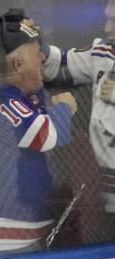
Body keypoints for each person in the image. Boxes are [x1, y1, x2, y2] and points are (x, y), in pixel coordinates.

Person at [0, 10, 76, 256]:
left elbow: (34, 58)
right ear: (18, 65)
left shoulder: (27, 94)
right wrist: (64, 107)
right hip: (5, 238)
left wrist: (21, 25)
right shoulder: (4, 99)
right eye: (36, 51)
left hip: (32, 228)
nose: (42, 55)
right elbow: (46, 137)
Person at [41, 0, 115, 240]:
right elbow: (60, 64)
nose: (107, 28)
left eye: (113, 21)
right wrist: (34, 44)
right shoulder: (102, 51)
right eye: (107, 19)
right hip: (104, 193)